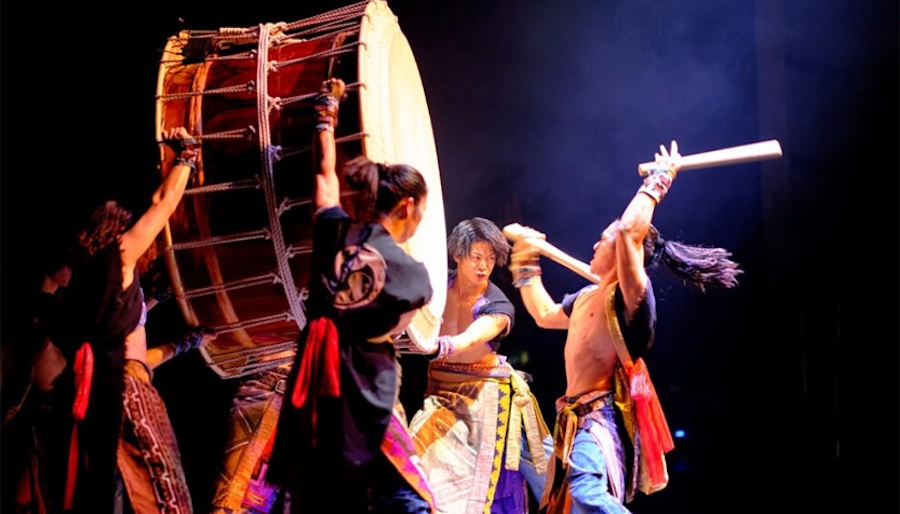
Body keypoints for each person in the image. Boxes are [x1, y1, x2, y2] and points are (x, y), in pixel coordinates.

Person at [509, 141, 742, 513]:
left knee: (586, 493)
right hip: (571, 420)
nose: (596, 243)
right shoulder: (587, 297)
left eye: (604, 240)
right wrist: (525, 262)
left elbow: (630, 231)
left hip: (601, 421)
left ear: (620, 252)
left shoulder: (631, 298)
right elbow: (543, 314)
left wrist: (659, 178)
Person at [266, 77, 436, 513]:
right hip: (362, 389)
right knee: (410, 498)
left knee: (319, 491)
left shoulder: (334, 228)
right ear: (407, 208)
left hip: (314, 378)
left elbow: (325, 176)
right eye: (421, 212)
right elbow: (391, 331)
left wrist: (327, 113)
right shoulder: (411, 274)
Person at [49, 126, 203, 514]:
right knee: (165, 499)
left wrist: (181, 344)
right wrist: (186, 156)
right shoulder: (117, 257)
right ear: (118, 232)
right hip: (127, 397)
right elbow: (162, 204)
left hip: (106, 394)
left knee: (116, 498)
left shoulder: (86, 289)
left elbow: (134, 357)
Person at [403, 217, 552, 513]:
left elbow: (475, 335)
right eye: (476, 257)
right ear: (458, 255)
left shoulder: (497, 304)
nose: (484, 266)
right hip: (443, 393)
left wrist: (446, 344)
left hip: (491, 396)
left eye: (491, 258)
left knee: (548, 472)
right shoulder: (436, 286)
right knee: (416, 452)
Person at [1, 242, 75, 514]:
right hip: (43, 418)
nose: (73, 272)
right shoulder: (34, 317)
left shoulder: (53, 307)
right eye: (69, 265)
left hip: (51, 415)